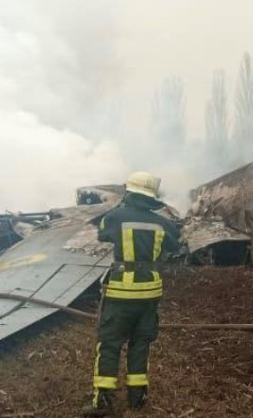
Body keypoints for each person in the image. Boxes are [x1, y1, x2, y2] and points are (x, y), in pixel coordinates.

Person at [81, 172, 182, 416]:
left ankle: (102, 401)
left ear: (129, 192)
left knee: (109, 344)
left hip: (121, 293)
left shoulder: (115, 217)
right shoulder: (164, 224)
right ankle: (137, 398)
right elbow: (175, 244)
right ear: (152, 198)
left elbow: (102, 233)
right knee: (140, 344)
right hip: (150, 294)